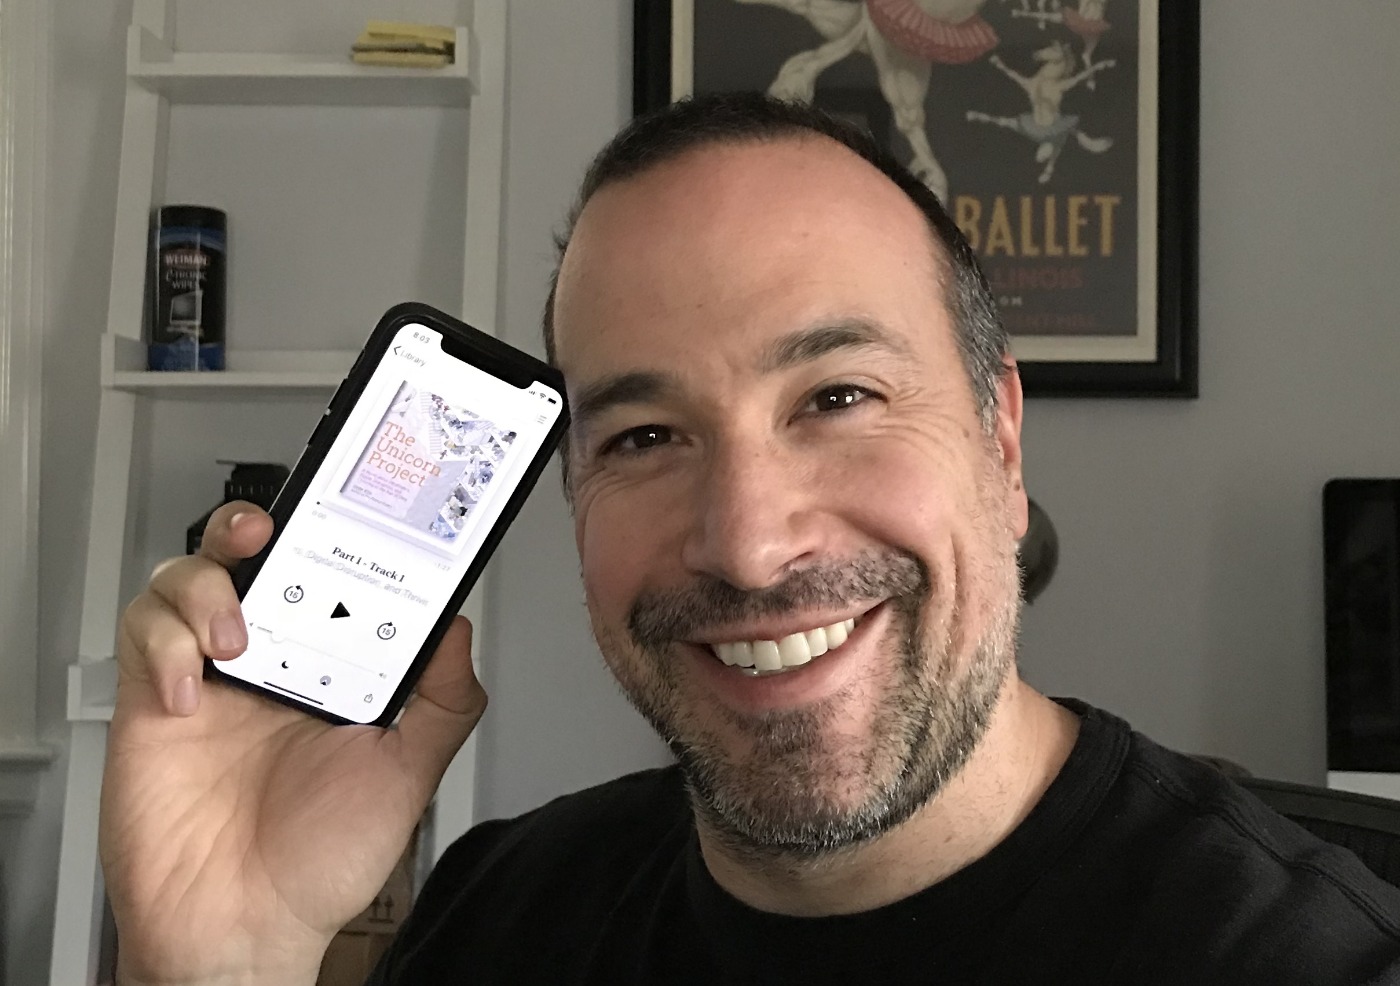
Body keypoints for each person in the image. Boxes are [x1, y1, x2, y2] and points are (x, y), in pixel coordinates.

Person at [101, 93, 1400, 985]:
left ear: (1002, 442)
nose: (746, 543)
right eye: (646, 436)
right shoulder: (501, 916)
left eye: (836, 397)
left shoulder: (1299, 956)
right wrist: (232, 952)